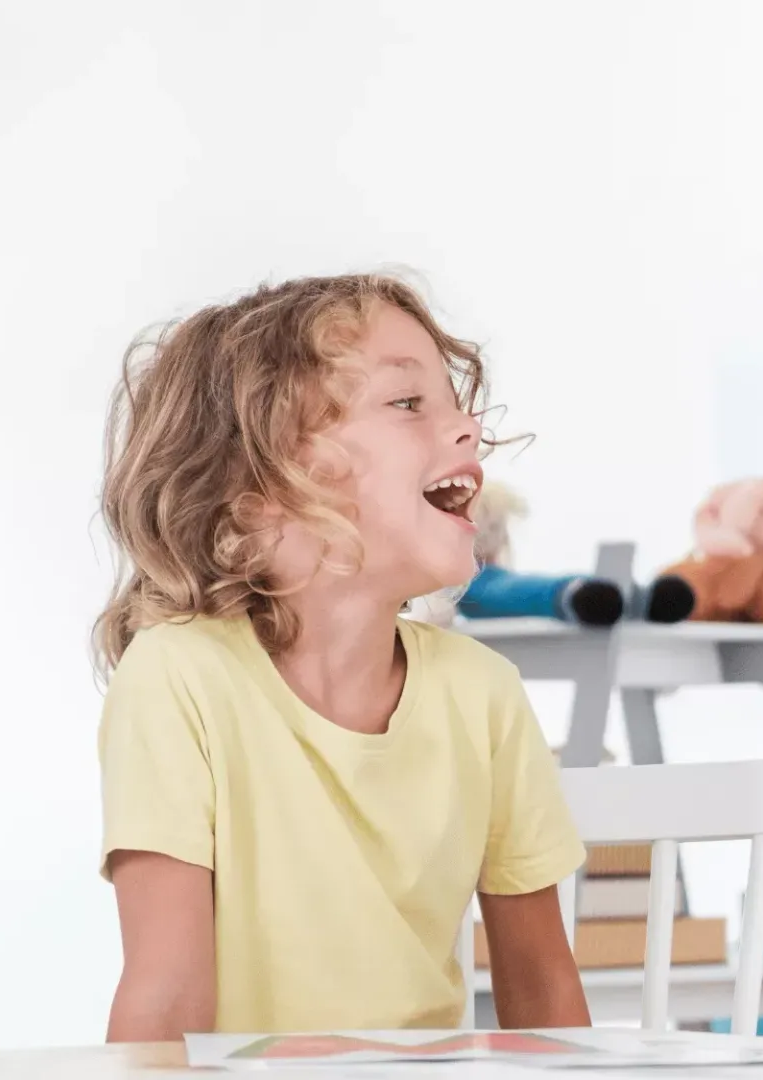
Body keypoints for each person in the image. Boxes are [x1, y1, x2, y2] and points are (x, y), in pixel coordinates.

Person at [94, 274, 590, 1039]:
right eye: (407, 403)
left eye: (455, 401)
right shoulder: (180, 679)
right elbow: (165, 996)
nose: (467, 427)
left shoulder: (483, 692)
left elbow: (544, 989)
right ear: (256, 488)